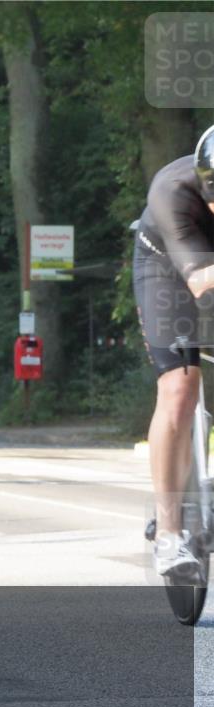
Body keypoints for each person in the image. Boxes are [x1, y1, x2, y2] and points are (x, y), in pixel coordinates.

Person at [133, 124, 214, 578]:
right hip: (169, 269)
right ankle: (168, 534)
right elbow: (202, 282)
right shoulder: (173, 192)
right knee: (181, 388)